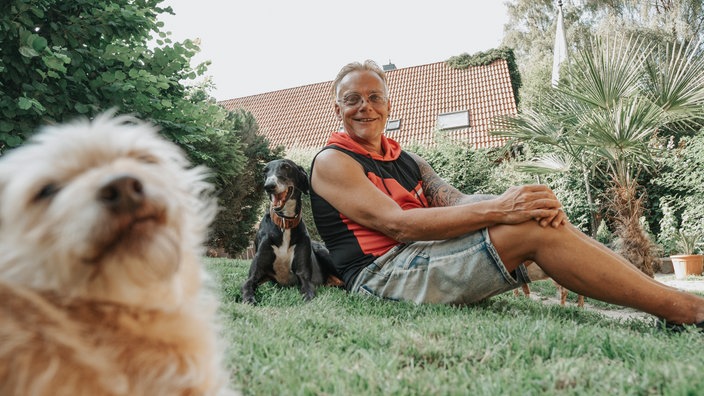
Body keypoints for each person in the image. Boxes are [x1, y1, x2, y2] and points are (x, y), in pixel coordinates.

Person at [309, 59, 704, 331]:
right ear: (338, 108)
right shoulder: (333, 161)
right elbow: (398, 225)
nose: (365, 107)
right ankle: (686, 309)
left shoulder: (407, 158)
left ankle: (670, 300)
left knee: (539, 216)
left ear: (388, 104)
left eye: (374, 97)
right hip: (380, 276)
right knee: (533, 231)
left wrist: (518, 199)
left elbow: (456, 199)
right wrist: (502, 208)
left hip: (421, 255)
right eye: (353, 99)